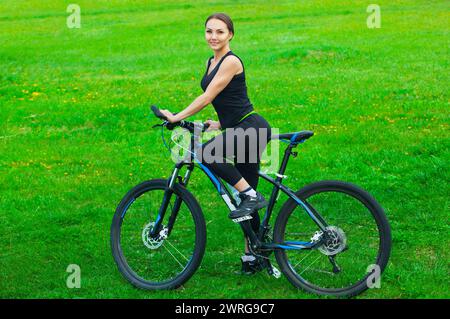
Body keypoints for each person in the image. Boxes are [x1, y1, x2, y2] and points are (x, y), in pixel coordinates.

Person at [159, 13, 272, 274]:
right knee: (244, 203)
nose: (213, 36)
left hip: (251, 128)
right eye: (209, 31)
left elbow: (209, 96)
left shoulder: (231, 61)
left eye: (220, 32)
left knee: (208, 154)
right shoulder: (212, 61)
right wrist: (218, 125)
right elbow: (233, 99)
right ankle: (253, 256)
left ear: (230, 34)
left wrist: (176, 117)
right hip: (241, 127)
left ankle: (252, 196)